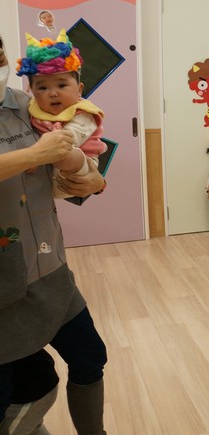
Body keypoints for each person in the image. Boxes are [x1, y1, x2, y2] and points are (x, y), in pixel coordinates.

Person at [1, 33, 108, 433]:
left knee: (89, 357)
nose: (50, 92)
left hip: (50, 267)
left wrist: (85, 173)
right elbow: (42, 155)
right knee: (22, 389)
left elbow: (81, 172)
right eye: (43, 85)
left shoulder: (24, 106)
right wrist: (33, 155)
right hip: (4, 289)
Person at [17, 30, 106, 199]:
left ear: (79, 89)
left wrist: (35, 157)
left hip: (78, 173)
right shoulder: (30, 109)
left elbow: (66, 140)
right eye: (43, 88)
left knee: (67, 154)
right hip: (42, 180)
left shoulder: (83, 113)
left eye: (62, 85)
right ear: (32, 92)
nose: (53, 93)